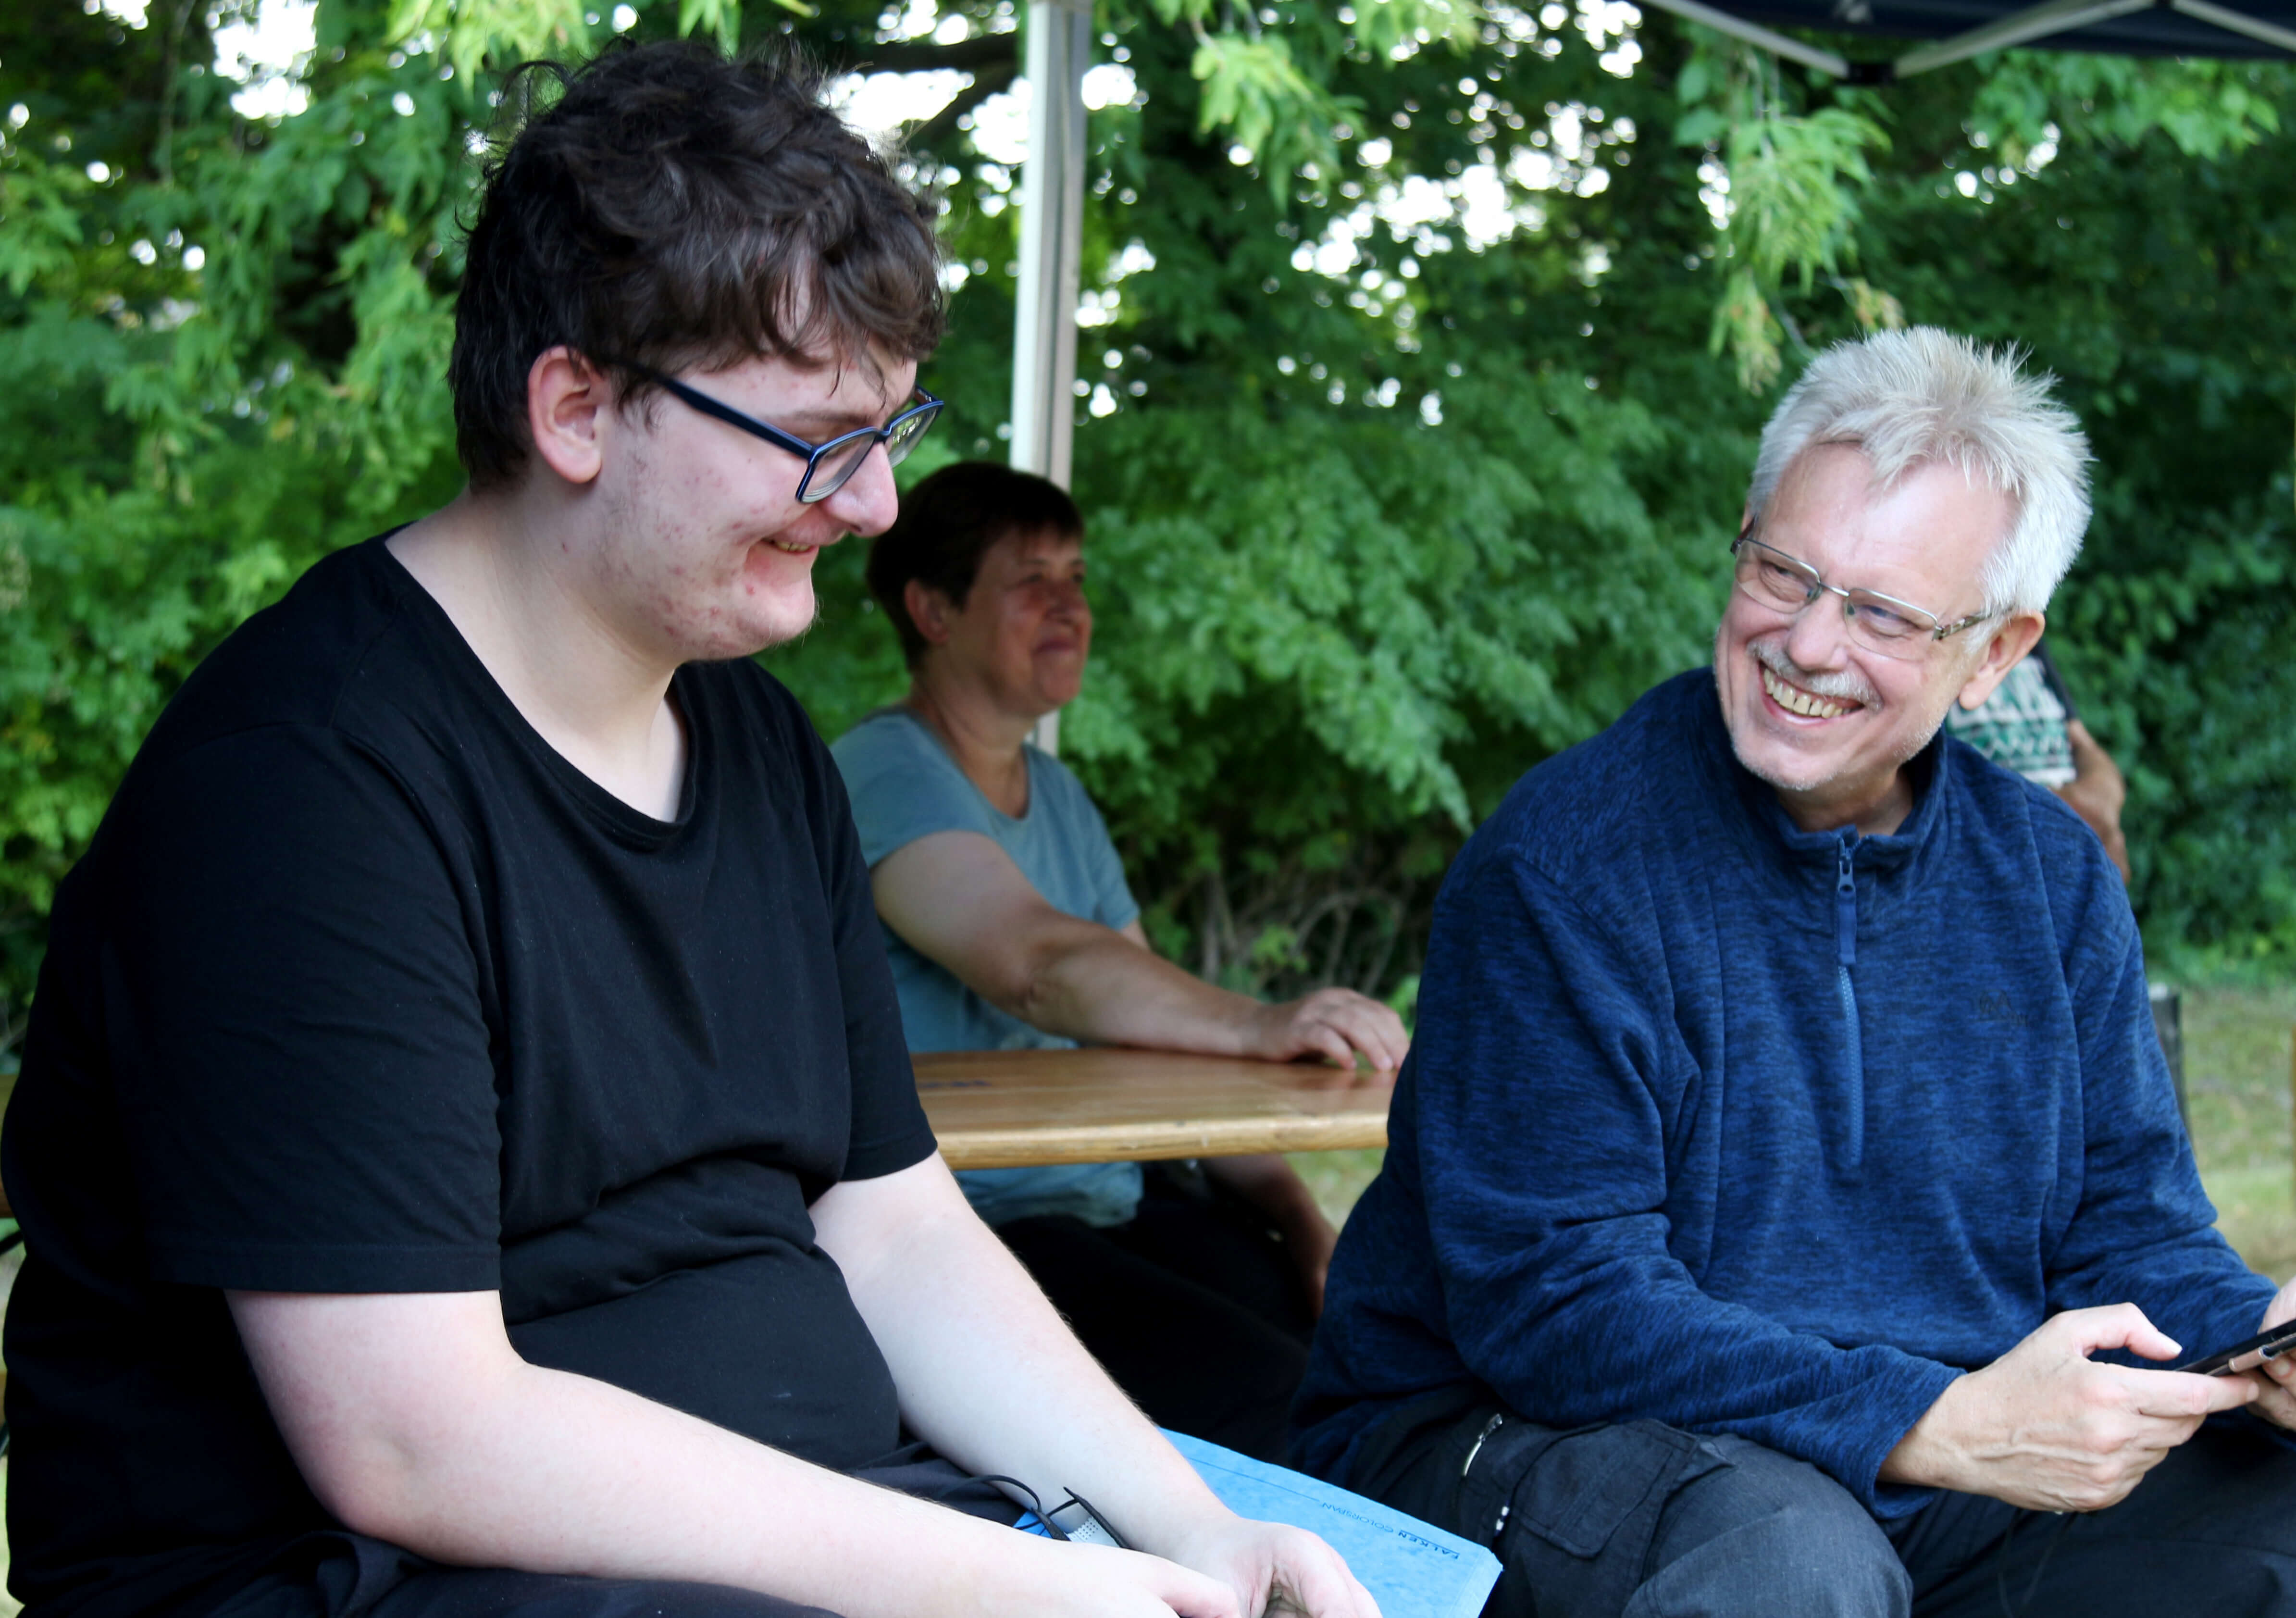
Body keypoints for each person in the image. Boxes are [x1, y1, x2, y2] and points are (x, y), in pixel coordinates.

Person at [0, 45, 1382, 1618]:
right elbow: (417, 1438)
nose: (874, 505)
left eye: (892, 429)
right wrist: (1015, 1587)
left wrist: (1183, 1527)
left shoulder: (761, 747)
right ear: (578, 407)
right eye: (822, 438)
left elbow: (893, 1230)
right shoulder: (302, 786)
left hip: (788, 1528)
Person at [1292, 328, 2296, 1617]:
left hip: (1921, 1456)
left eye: (1882, 612)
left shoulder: (2050, 875)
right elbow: (1559, 1306)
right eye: (1783, 571)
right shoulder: (1564, 864)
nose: (1807, 644)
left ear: (1996, 651)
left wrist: (2255, 1328)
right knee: (1789, 1558)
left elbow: (2131, 1230)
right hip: (1509, 1432)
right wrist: (1929, 1418)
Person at [831, 461, 1410, 1465]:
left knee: (1367, 1361)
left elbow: (1158, 1050)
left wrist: (1300, 1220)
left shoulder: (1056, 795)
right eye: (1031, 581)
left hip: (1116, 1208)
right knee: (1281, 1408)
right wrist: (1261, 1023)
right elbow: (1035, 963)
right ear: (932, 609)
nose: (1071, 606)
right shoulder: (883, 772)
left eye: (1077, 577)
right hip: (971, 1232)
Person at [1944, 635, 2131, 880]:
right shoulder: (1930, 641)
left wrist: (2097, 808)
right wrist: (2078, 815)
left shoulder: (2025, 633)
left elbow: (2083, 743)